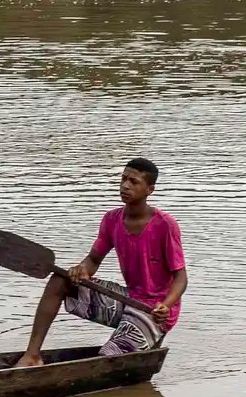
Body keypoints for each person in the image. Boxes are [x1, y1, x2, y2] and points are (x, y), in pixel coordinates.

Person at [14, 157, 187, 368]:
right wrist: (82, 270)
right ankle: (32, 355)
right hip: (128, 299)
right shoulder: (112, 220)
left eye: (134, 182)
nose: (125, 185)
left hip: (154, 311)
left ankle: (145, 335)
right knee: (60, 281)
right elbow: (93, 260)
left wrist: (166, 305)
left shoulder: (165, 225)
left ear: (149, 189)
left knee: (108, 357)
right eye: (123, 179)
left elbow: (181, 277)